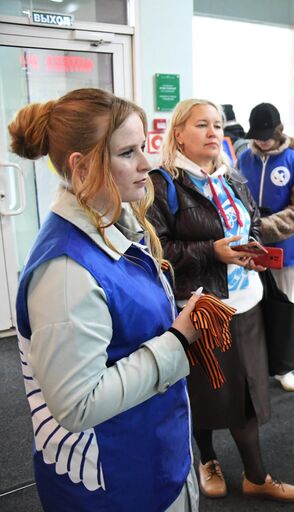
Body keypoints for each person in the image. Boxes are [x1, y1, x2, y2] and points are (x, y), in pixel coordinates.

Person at [8, 88, 202, 511]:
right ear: (81, 166)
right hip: (113, 485)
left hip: (146, 458)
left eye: (144, 147)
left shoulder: (111, 225)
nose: (146, 163)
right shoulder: (65, 271)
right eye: (128, 152)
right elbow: (76, 404)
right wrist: (177, 341)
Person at [147, 98, 294, 503]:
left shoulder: (232, 179)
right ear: (178, 133)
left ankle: (256, 475)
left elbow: (250, 225)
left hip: (247, 301)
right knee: (203, 390)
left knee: (247, 391)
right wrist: (210, 253)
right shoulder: (162, 183)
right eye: (202, 125)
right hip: (199, 306)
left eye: (217, 124)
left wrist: (254, 253)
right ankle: (208, 460)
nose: (214, 132)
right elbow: (157, 250)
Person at [238, 102, 294, 392]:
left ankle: (282, 367)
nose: (262, 139)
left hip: (281, 247)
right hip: (247, 245)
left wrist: (264, 227)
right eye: (257, 134)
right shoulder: (242, 158)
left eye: (267, 133)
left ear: (278, 130)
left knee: (280, 308)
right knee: (249, 305)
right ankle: (252, 364)